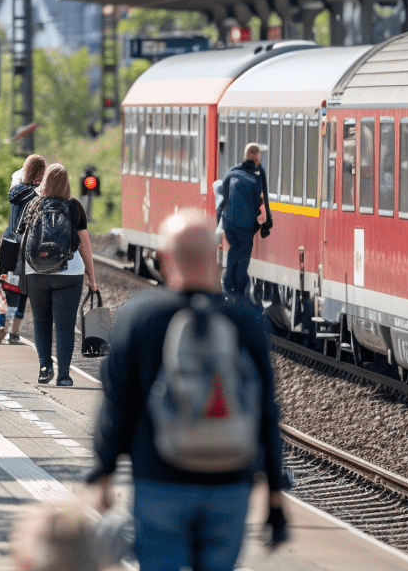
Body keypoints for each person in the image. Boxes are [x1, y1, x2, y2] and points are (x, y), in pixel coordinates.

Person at [88, 208, 287, 571]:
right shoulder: (246, 322)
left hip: (159, 479)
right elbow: (267, 413)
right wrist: (274, 496)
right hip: (230, 484)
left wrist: (104, 471)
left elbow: (118, 402)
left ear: (163, 258)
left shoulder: (140, 316)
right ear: (215, 257)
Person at [16, 163, 96, 388]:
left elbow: (22, 238)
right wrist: (92, 277)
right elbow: (84, 245)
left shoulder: (33, 204)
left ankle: (44, 368)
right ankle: (63, 376)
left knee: (41, 321)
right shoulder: (74, 207)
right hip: (69, 274)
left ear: (45, 182)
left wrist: (20, 272)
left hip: (36, 272)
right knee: (64, 326)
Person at [0, 153, 45, 345]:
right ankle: (14, 331)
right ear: (39, 175)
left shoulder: (15, 187)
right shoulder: (40, 193)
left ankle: (0, 323)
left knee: (2, 284)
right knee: (23, 287)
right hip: (28, 245)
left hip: (9, 242)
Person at [214, 143, 271, 301]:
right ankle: (238, 294)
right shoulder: (255, 179)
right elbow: (257, 205)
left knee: (233, 254)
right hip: (245, 227)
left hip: (230, 225)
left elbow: (223, 200)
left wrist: (221, 223)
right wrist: (262, 224)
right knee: (243, 258)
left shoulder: (232, 173)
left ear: (245, 156)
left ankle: (227, 289)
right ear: (257, 158)